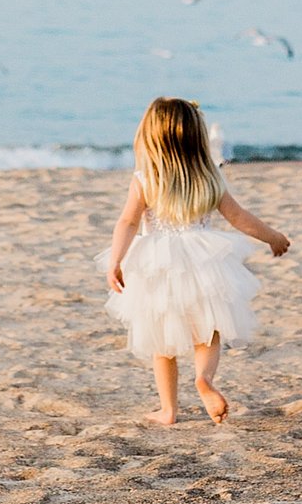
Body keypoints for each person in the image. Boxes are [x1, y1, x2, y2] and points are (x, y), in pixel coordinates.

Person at [105, 96, 289, 426]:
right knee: (208, 331)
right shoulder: (209, 177)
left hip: (157, 265)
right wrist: (272, 236)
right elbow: (239, 218)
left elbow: (128, 223)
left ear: (150, 135)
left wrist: (115, 260)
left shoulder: (146, 179)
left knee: (161, 342)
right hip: (205, 262)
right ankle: (204, 379)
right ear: (197, 135)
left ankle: (168, 410)